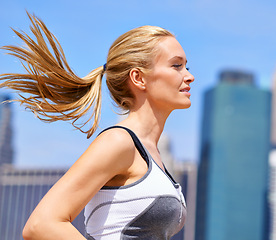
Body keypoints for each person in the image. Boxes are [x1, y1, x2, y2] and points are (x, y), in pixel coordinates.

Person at [0, 12, 194, 240]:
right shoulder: (120, 142)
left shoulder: (152, 153)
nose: (189, 76)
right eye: (177, 66)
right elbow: (41, 224)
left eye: (186, 66)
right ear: (139, 78)